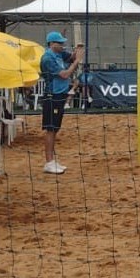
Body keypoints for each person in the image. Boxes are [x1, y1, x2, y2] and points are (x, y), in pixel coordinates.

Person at [40, 30, 84, 174]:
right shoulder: (48, 58)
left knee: (55, 128)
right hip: (52, 96)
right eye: (60, 43)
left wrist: (78, 50)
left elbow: (71, 57)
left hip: (60, 95)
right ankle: (49, 162)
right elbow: (64, 74)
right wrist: (77, 61)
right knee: (50, 129)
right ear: (52, 44)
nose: (63, 45)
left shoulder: (58, 54)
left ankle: (52, 160)